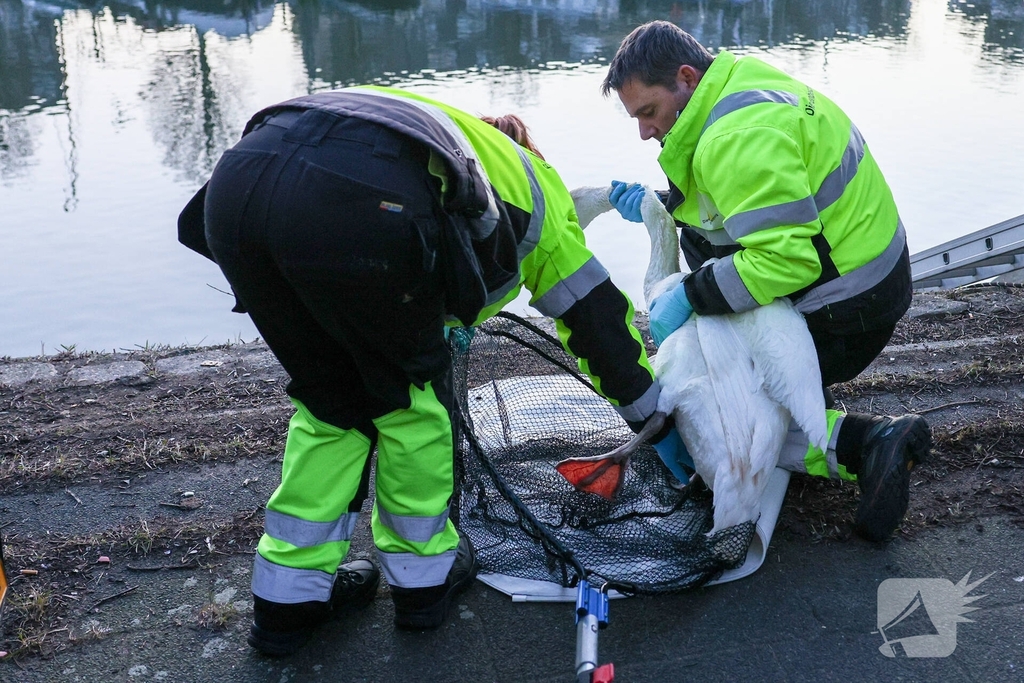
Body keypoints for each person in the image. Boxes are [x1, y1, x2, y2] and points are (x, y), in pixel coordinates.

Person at [177, 87, 688, 656]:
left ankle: (286, 604)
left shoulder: (438, 138)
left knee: (331, 406)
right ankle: (424, 585)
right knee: (409, 406)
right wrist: (655, 423)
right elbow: (598, 324)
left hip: (238, 187)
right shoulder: (539, 194)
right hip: (359, 205)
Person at [600, 21, 931, 542]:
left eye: (648, 112)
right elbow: (737, 210)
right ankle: (855, 436)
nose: (644, 131)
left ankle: (866, 443)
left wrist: (688, 296)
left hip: (845, 306)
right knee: (729, 358)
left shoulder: (736, 137)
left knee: (719, 399)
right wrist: (660, 208)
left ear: (686, 78)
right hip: (866, 276)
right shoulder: (736, 88)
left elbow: (785, 262)